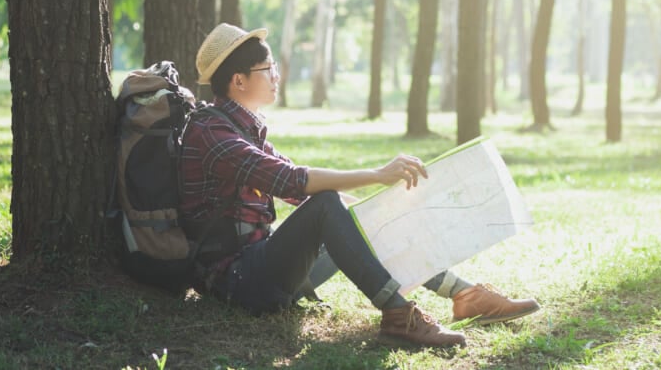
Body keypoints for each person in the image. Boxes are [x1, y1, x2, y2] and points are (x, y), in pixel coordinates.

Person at [180, 23, 540, 348]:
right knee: (325, 204)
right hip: (238, 281)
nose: (277, 75)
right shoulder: (212, 132)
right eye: (268, 68)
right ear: (239, 81)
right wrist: (377, 174)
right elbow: (294, 181)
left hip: (264, 268)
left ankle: (465, 295)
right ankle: (398, 315)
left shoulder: (244, 127)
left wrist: (381, 210)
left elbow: (296, 190)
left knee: (352, 212)